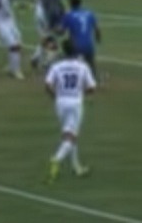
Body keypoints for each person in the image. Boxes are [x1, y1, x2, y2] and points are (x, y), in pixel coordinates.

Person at [45, 39, 96, 184]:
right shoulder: (82, 66)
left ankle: (76, 167)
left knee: (69, 134)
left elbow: (48, 85)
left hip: (60, 103)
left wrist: (55, 96)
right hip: (75, 103)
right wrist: (82, 93)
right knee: (71, 136)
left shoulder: (57, 66)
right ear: (76, 51)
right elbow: (92, 87)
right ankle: (56, 159)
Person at [61, 0, 101, 76]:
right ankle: (93, 79)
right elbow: (97, 29)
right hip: (88, 44)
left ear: (70, 3)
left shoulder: (69, 15)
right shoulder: (89, 13)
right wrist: (98, 39)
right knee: (91, 65)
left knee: (72, 64)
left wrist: (52, 28)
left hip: (76, 45)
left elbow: (61, 31)